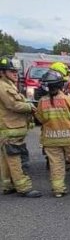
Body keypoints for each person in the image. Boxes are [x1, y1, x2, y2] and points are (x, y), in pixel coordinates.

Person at [35, 70, 70, 197]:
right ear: (61, 85)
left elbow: (40, 119)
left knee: (56, 165)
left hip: (51, 139)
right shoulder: (68, 100)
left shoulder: (42, 102)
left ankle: (58, 190)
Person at [0, 56, 42, 198]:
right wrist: (30, 107)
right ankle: (23, 188)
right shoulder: (3, 87)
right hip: (10, 129)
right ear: (2, 72)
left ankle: (8, 185)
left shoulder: (9, 85)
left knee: (6, 159)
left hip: (11, 128)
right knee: (15, 159)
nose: (15, 74)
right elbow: (13, 105)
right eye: (11, 71)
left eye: (16, 72)